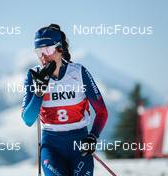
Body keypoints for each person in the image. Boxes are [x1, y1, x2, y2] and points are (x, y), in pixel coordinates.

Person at [21, 24, 108, 176]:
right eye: (38, 51)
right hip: (52, 147)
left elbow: (102, 112)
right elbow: (28, 120)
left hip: (79, 145)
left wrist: (93, 137)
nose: (43, 56)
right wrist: (39, 93)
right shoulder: (34, 76)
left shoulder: (79, 73)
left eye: (47, 50)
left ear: (60, 48)